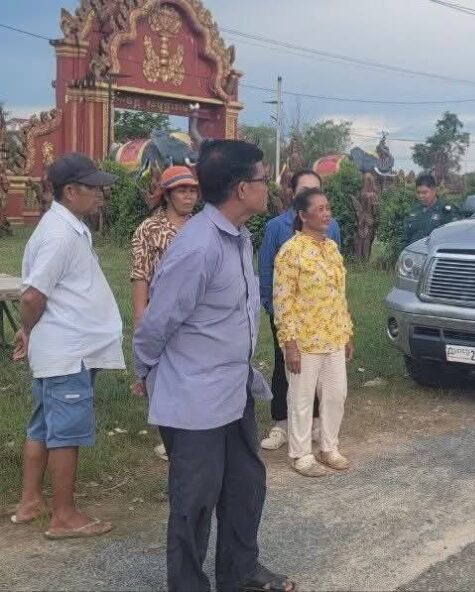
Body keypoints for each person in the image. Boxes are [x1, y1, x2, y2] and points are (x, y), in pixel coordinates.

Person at [133, 140, 295, 592]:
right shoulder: (198, 247)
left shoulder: (238, 237)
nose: (269, 187)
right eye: (263, 179)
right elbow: (156, 322)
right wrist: (145, 371)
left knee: (245, 486)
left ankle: (240, 573)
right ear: (242, 188)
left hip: (233, 387)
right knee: (195, 501)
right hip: (195, 398)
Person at [10, 153, 124, 539]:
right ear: (70, 191)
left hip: (60, 348)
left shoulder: (67, 227)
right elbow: (31, 295)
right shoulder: (59, 234)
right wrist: (28, 328)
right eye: (94, 187)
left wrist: (29, 331)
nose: (100, 194)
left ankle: (30, 502)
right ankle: (64, 516)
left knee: (43, 425)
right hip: (67, 352)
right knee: (66, 433)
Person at [273, 187, 355, 477]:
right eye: (320, 209)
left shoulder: (331, 248)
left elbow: (339, 295)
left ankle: (328, 447)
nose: (326, 214)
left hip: (333, 336)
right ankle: (300, 454)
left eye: (328, 208)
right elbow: (283, 302)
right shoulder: (291, 251)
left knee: (335, 395)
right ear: (303, 215)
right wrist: (290, 344)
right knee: (301, 399)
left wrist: (347, 332)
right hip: (304, 341)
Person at [258, 169, 342, 450]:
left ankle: (315, 424)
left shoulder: (331, 229)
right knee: (287, 367)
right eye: (305, 190)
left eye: (316, 190)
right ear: (292, 193)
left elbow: (335, 274)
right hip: (289, 316)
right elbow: (267, 271)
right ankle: (282, 423)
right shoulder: (277, 227)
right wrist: (273, 310)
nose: (311, 195)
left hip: (324, 321)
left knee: (322, 373)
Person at [129, 166, 198, 461]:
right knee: (162, 377)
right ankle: (170, 438)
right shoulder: (149, 229)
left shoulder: (201, 228)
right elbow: (140, 275)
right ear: (167, 195)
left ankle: (193, 434)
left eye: (193, 191)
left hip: (196, 317)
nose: (189, 196)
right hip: (161, 315)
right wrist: (140, 318)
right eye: (182, 191)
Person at [402, 173, 458, 247]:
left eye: (424, 192)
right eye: (418, 192)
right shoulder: (415, 210)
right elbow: (406, 237)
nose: (421, 196)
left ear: (434, 190)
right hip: (413, 252)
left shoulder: (445, 211)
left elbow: (453, 238)